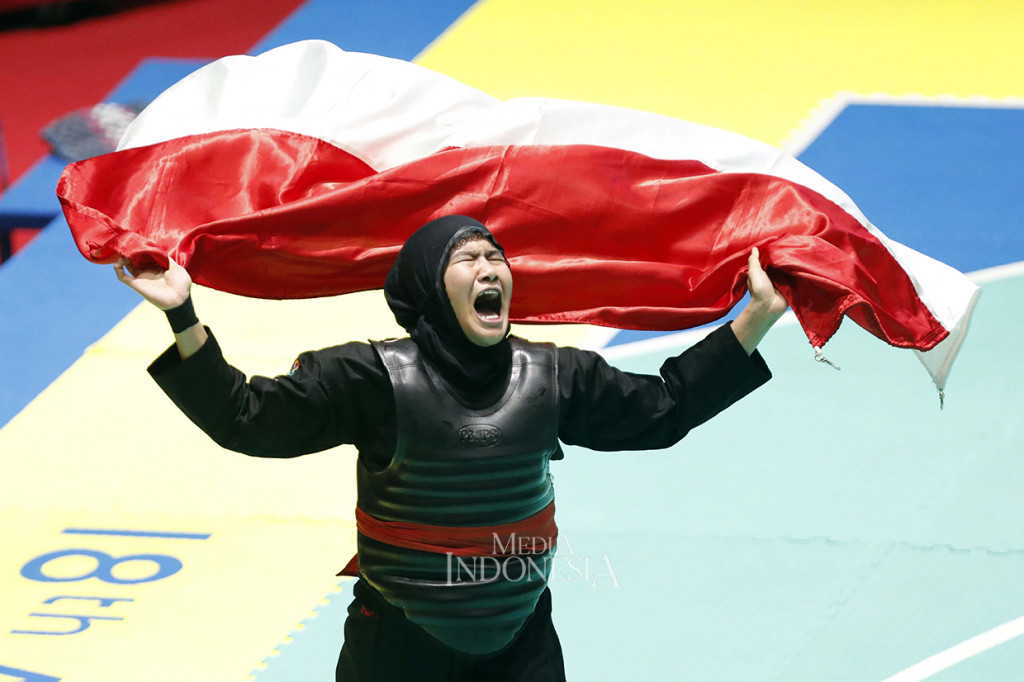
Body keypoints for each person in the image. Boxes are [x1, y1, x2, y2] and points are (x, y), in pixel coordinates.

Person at [115, 215, 787, 681]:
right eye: (468, 259)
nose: (489, 267)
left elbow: (664, 410)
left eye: (496, 257)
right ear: (428, 288)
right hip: (398, 644)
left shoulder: (554, 375)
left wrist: (756, 317)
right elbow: (246, 418)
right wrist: (180, 312)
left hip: (520, 639)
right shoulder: (368, 377)